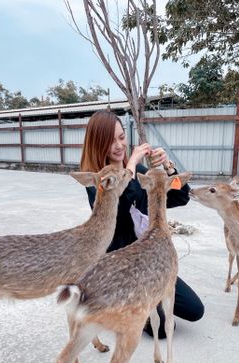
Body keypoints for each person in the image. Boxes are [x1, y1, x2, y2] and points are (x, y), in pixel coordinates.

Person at [80, 110, 204, 338]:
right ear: (97, 143)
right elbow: (123, 201)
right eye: (110, 141)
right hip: (122, 265)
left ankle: (133, 300)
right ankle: (119, 298)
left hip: (149, 259)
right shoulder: (96, 182)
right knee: (166, 327)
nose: (118, 145)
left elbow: (179, 197)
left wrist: (168, 166)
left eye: (121, 137)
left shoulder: (139, 172)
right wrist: (133, 163)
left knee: (195, 310)